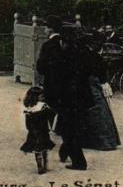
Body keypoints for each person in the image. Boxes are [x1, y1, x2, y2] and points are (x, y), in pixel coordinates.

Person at [36, 16, 93, 170]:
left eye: (46, 27)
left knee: (66, 126)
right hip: (74, 91)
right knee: (67, 122)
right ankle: (65, 151)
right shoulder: (72, 45)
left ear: (50, 29)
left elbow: (40, 68)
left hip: (57, 92)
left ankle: (79, 161)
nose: (45, 29)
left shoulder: (49, 46)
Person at [20, 85, 56, 174]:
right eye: (41, 96)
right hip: (43, 130)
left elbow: (27, 122)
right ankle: (45, 166)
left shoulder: (28, 107)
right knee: (44, 149)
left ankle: (39, 166)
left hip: (33, 131)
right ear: (36, 97)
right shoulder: (43, 106)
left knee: (37, 150)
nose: (43, 97)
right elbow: (51, 113)